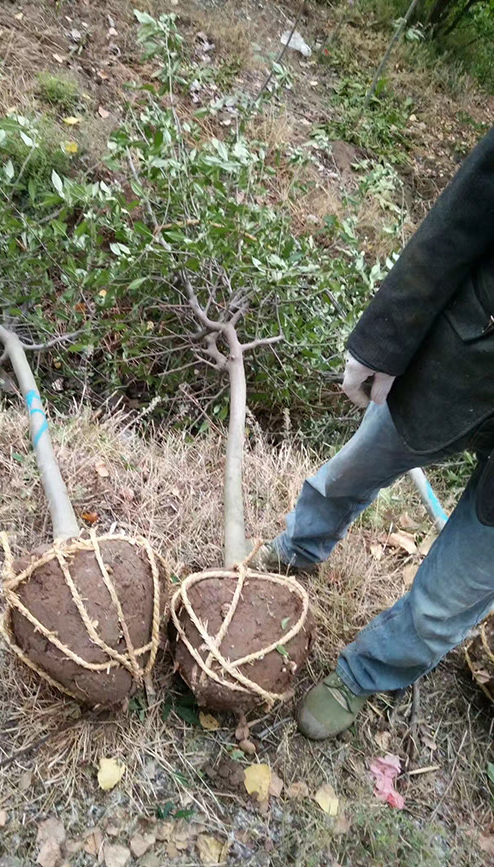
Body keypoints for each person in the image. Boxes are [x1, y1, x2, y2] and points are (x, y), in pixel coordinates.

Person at [255, 128, 494, 740]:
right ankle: (298, 550)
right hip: (465, 359)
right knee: (352, 470)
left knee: (453, 595)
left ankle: (364, 674)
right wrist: (385, 337)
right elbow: (464, 212)